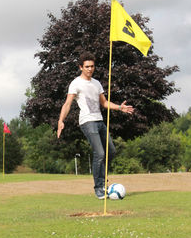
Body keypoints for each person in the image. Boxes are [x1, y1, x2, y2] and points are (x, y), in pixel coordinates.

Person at [57, 52, 134, 199]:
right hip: (87, 122)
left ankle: (102, 181)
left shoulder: (96, 83)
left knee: (111, 151)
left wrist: (120, 107)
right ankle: (99, 188)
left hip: (99, 121)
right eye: (86, 67)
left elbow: (104, 103)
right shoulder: (76, 83)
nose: (90, 69)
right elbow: (67, 104)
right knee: (99, 153)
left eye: (92, 66)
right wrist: (61, 120)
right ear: (81, 67)